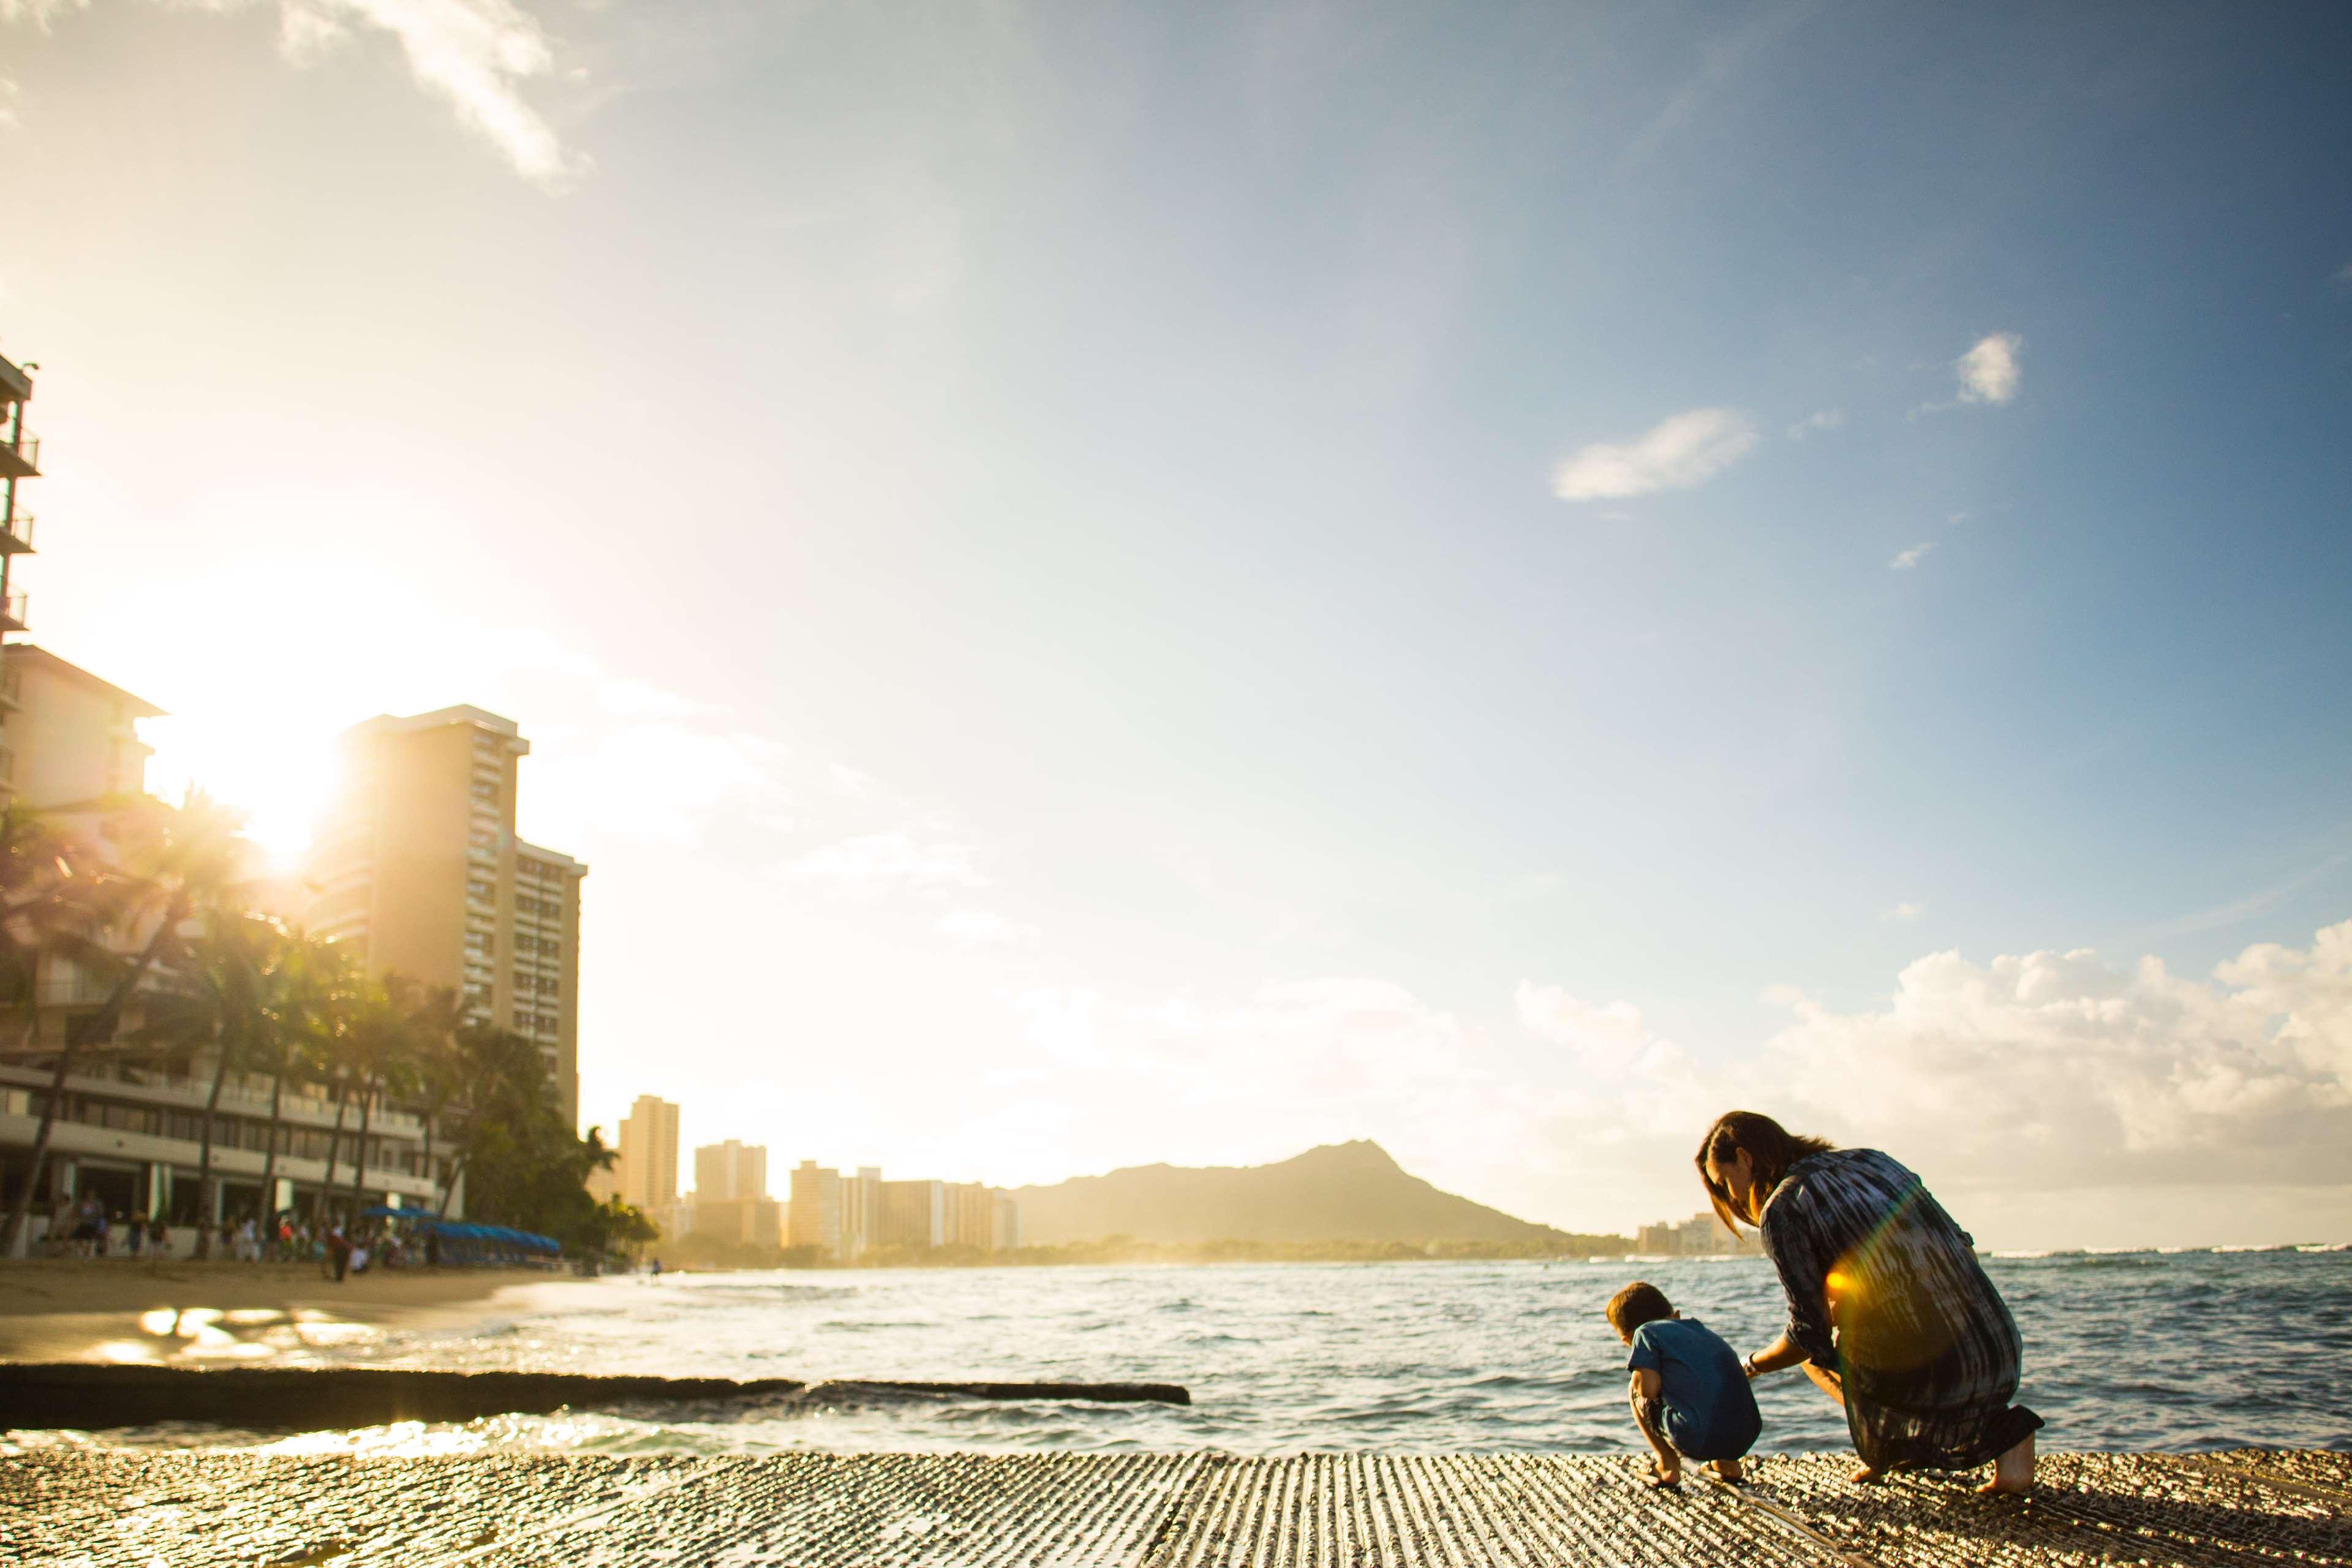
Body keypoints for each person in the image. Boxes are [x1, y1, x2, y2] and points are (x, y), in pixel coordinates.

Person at [1696, 1110, 2041, 1494]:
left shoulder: (1783, 1207)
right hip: (1999, 1350)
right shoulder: (1874, 1161)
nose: (1732, 1197)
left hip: (1939, 1377)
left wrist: (1750, 1366)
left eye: (1725, 1182)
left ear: (1745, 1158)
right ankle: (2011, 1439)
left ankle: (1888, 1449)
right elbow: (1965, 1249)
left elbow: (1807, 1337)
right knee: (1868, 1320)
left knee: (1816, 1358)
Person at [1607, 1280, 1760, 1488]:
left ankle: (1667, 1466)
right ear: (1675, 1316)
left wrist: (1641, 1373)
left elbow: (1647, 1390)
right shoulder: (1698, 1329)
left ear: (1628, 1340)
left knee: (1635, 1388)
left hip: (1698, 1438)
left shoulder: (1645, 1333)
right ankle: (1727, 1464)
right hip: (1747, 1434)